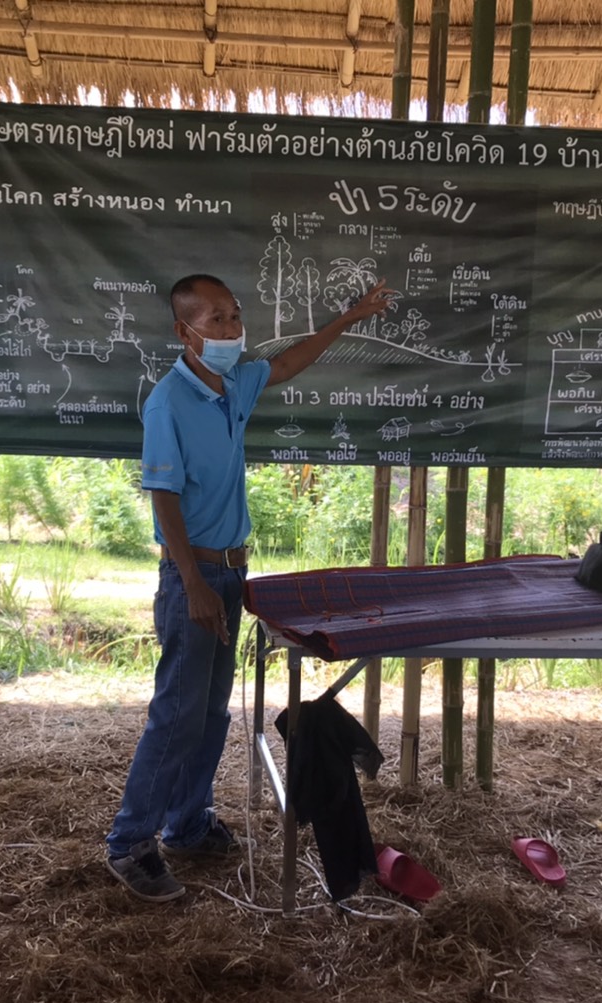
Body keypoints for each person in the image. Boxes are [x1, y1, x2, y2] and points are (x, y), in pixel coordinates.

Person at [105, 272, 393, 901]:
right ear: (185, 332)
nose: (233, 329)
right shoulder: (168, 403)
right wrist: (194, 583)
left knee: (209, 711)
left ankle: (187, 823)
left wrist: (347, 320)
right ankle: (130, 843)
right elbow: (164, 498)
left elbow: (289, 361)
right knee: (177, 714)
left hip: (230, 571)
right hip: (196, 575)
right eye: (217, 320)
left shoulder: (234, 383)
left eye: (236, 316)